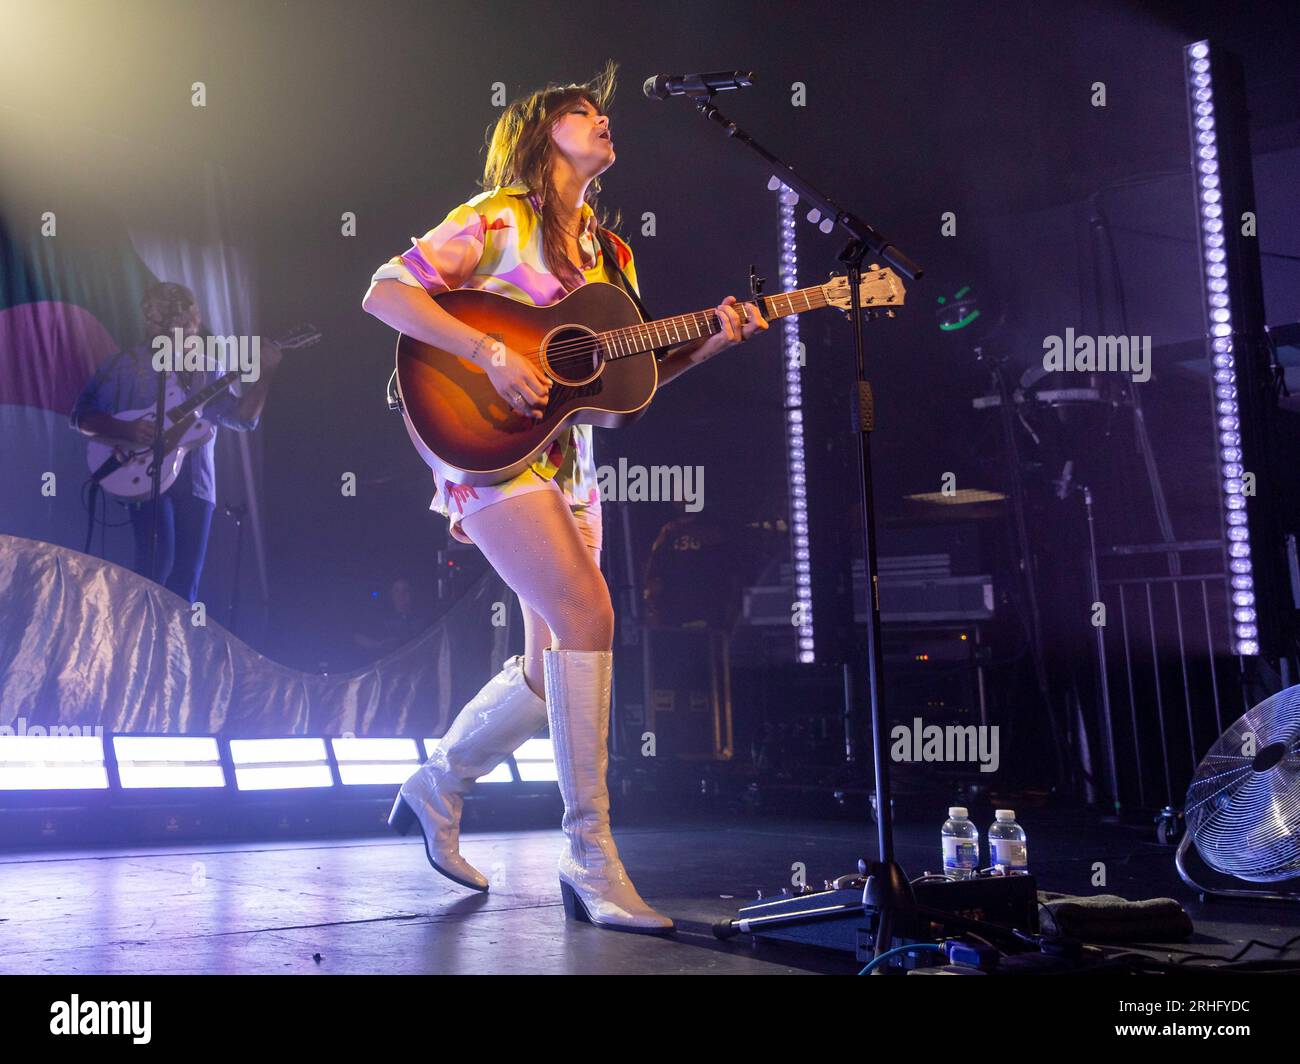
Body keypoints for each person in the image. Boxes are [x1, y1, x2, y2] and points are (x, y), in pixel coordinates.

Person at [363, 62, 767, 934]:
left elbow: (623, 389)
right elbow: (385, 291)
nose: (604, 120)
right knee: (591, 617)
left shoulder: (612, 257)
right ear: (543, 132)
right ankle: (592, 859)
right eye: (585, 112)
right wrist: (489, 352)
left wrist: (716, 342)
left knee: (554, 671)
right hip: (489, 448)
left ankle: (438, 786)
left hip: (568, 463)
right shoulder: (500, 217)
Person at [70, 282, 281, 602]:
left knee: (186, 582)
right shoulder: (125, 365)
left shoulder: (209, 365)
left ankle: (174, 652)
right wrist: (125, 430)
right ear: (153, 322)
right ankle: (138, 643)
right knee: (155, 565)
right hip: (144, 473)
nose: (186, 326)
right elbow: (82, 416)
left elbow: (242, 419)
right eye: (176, 320)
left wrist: (266, 374)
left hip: (196, 483)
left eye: (189, 319)